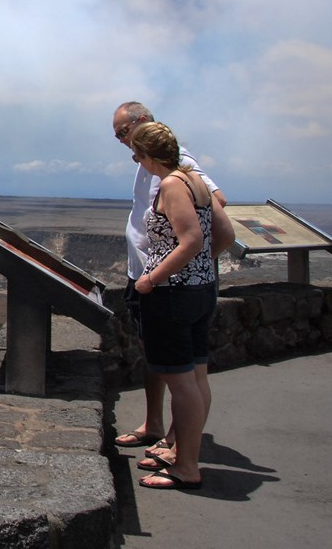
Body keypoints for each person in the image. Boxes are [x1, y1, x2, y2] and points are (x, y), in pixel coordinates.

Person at [110, 102, 231, 461]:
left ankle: (179, 450)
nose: (123, 144)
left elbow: (215, 215)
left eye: (123, 133)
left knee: (184, 375)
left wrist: (166, 273)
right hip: (174, 281)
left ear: (143, 123)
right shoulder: (164, 169)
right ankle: (160, 431)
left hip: (168, 287)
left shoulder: (179, 170)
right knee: (173, 364)